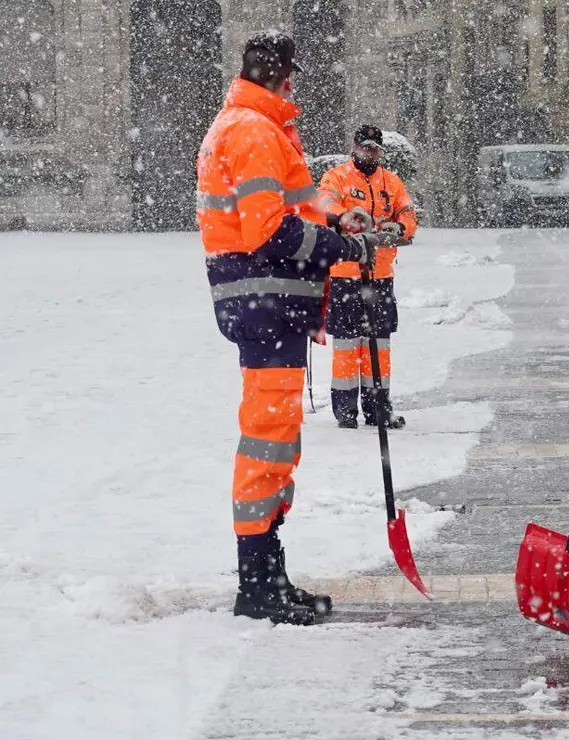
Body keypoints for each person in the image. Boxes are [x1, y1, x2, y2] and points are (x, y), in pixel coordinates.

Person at [196, 31, 377, 625]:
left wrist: (336, 217)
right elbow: (268, 231)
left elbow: (296, 203)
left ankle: (269, 574)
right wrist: (340, 246)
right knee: (267, 441)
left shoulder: (256, 126)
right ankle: (257, 585)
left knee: (277, 438)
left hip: (267, 305)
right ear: (285, 75)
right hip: (264, 303)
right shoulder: (252, 131)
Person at [318, 125, 418, 429]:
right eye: (365, 147)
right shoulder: (337, 177)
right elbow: (324, 204)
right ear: (354, 147)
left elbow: (408, 214)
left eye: (374, 148)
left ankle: (378, 409)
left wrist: (399, 228)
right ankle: (345, 411)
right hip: (345, 274)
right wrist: (345, 218)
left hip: (380, 275)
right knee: (347, 345)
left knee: (379, 345)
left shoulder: (391, 181)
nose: (369, 152)